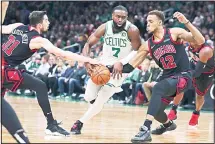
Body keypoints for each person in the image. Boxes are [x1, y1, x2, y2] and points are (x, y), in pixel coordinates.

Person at [111, 10, 205, 143]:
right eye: (147, 21)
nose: (147, 24)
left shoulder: (174, 32)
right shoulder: (148, 44)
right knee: (157, 111)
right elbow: (130, 66)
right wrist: (113, 67)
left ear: (160, 22)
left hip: (183, 76)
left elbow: (200, 40)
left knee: (157, 88)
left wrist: (186, 23)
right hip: (167, 78)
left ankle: (145, 129)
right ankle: (168, 124)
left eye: (150, 21)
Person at [1, 10, 99, 138]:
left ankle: (51, 125)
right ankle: (51, 125)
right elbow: (62, 54)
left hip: (4, 65)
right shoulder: (38, 40)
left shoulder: (18, 26)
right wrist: (89, 59)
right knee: (40, 86)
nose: (49, 22)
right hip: (4, 69)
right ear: (40, 24)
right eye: (46, 20)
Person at [70, 5, 142, 134]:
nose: (120, 19)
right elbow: (88, 44)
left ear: (126, 17)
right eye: (118, 16)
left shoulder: (132, 29)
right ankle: (95, 105)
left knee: (102, 98)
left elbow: (138, 50)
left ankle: (79, 123)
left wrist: (121, 62)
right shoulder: (105, 27)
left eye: (123, 17)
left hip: (119, 71)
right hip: (101, 67)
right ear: (112, 16)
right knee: (88, 97)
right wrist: (87, 61)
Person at [168, 41, 214, 126]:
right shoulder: (189, 47)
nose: (191, 43)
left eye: (193, 40)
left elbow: (197, 73)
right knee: (181, 85)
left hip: (206, 73)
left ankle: (196, 113)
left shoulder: (206, 50)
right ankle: (173, 109)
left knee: (200, 95)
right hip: (193, 66)